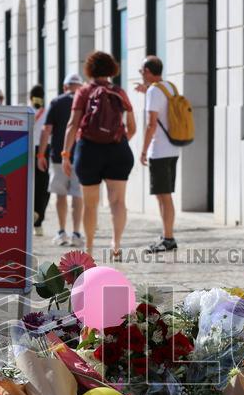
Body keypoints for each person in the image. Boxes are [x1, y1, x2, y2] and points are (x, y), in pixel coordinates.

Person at [62, 51, 137, 260]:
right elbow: (132, 127)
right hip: (118, 150)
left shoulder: (84, 91)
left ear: (90, 69)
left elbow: (72, 124)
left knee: (90, 203)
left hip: (89, 150)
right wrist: (117, 140)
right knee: (118, 201)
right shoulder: (120, 92)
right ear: (111, 69)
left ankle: (89, 248)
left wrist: (66, 153)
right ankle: (116, 243)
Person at [135, 56, 179, 252]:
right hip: (173, 148)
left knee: (163, 196)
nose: (141, 74)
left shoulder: (154, 90)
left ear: (148, 71)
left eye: (141, 71)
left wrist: (143, 150)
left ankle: (168, 238)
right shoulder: (169, 87)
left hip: (159, 150)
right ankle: (166, 235)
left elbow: (151, 124)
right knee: (165, 195)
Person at [38, 73, 85, 247]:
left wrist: (40, 154)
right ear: (80, 87)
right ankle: (77, 233)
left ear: (65, 87)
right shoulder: (85, 102)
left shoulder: (57, 102)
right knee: (78, 195)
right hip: (80, 156)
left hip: (59, 156)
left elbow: (46, 130)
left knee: (61, 195)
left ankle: (61, 231)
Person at [29, 85, 50, 236]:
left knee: (29, 186)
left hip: (28, 151)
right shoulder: (48, 112)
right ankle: (39, 221)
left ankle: (30, 216)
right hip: (45, 151)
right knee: (43, 188)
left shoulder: (28, 112)